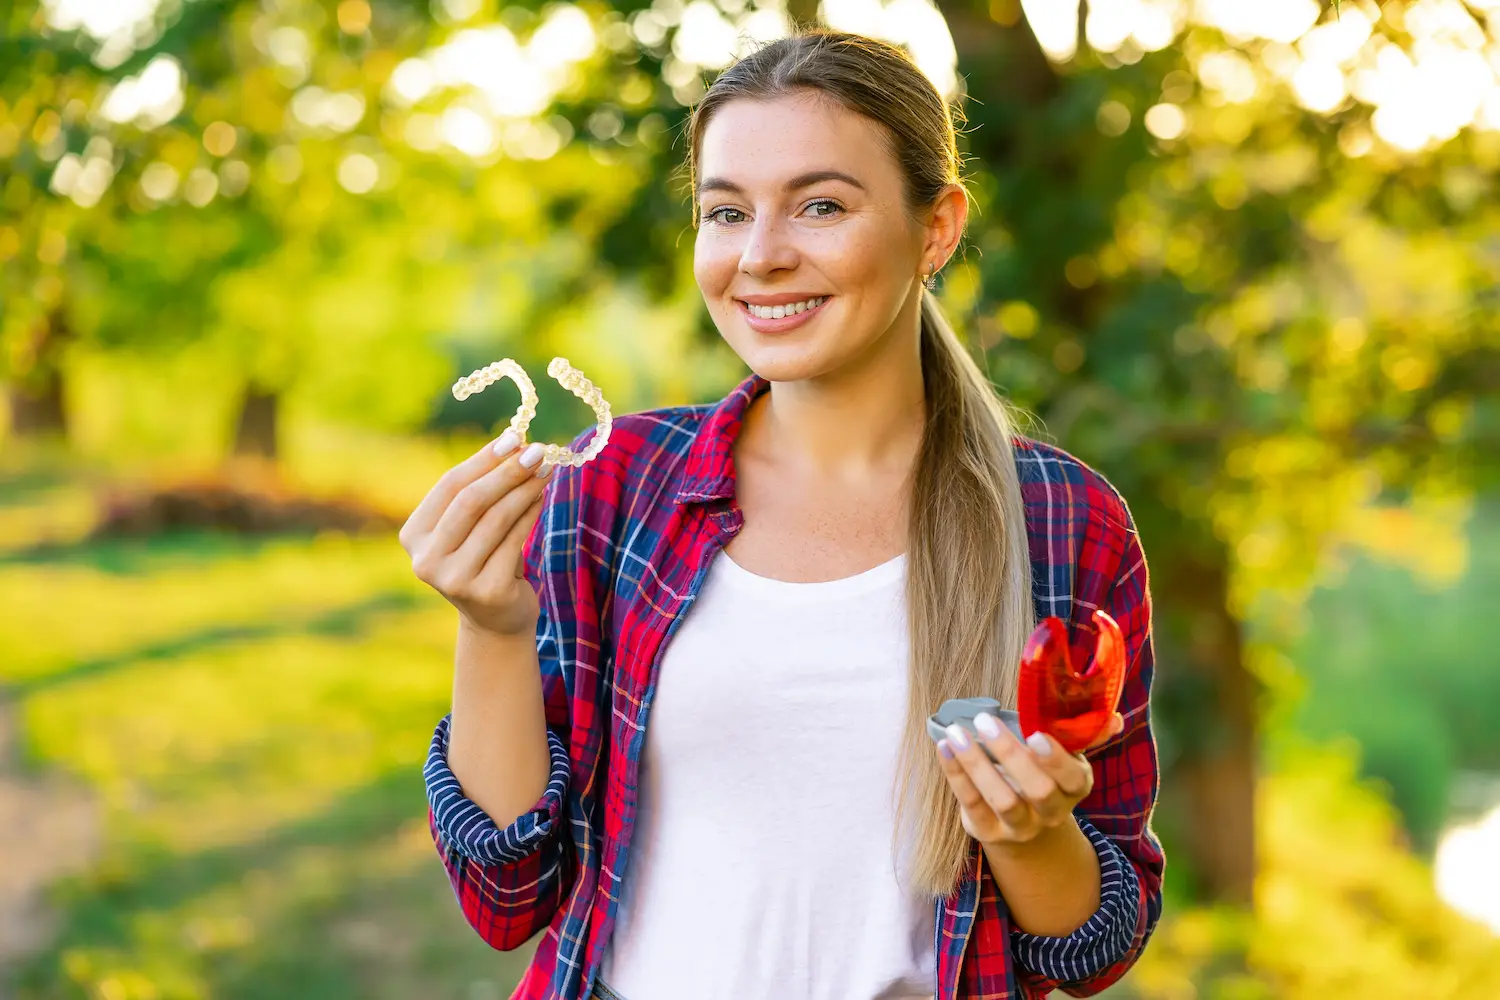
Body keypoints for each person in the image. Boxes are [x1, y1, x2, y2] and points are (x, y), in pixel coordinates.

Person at [401, 29, 1164, 1000]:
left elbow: (1095, 948)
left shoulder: (1064, 519)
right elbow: (509, 891)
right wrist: (492, 623)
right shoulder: (618, 483)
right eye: (725, 212)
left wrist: (1031, 830)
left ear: (935, 228)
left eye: (820, 205)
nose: (760, 257)